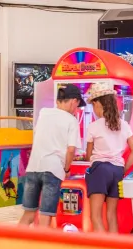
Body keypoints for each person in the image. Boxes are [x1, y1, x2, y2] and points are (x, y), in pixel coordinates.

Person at [19, 84, 84, 227]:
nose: (77, 109)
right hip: (53, 170)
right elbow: (71, 150)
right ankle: (43, 248)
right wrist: (67, 169)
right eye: (78, 105)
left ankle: (13, 245)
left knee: (28, 214)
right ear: (74, 101)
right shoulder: (71, 120)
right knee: (45, 216)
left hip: (33, 167)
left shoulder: (44, 113)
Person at [85, 82, 133, 233]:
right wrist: (124, 169)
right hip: (117, 171)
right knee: (111, 215)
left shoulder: (94, 126)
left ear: (97, 104)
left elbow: (88, 155)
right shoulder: (124, 124)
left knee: (95, 216)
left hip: (100, 170)